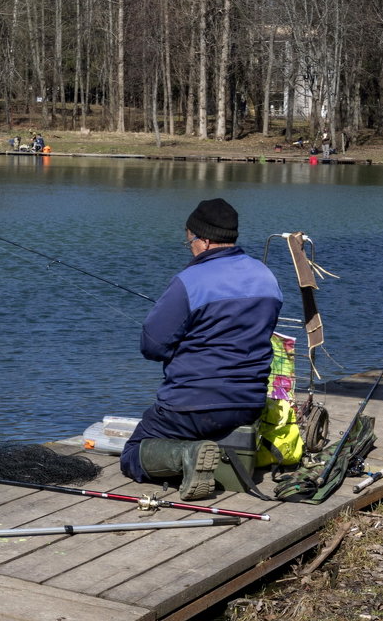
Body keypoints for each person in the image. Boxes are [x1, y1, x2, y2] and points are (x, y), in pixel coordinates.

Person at [119, 198, 283, 500]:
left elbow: (152, 346)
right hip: (247, 404)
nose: (190, 248)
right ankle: (210, 452)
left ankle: (188, 455)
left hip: (190, 408)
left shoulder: (189, 281)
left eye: (190, 241)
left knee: (131, 453)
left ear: (205, 240)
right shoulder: (266, 277)